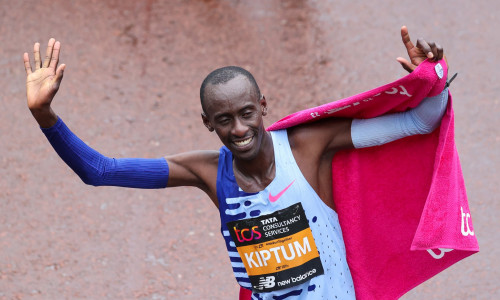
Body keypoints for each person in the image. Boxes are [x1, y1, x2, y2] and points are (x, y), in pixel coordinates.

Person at [24, 26, 448, 299]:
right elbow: (99, 171)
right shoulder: (208, 172)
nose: (240, 129)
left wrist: (433, 78)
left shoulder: (307, 148)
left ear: (262, 106)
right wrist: (45, 116)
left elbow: (419, 121)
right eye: (224, 120)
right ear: (207, 123)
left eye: (247, 113)